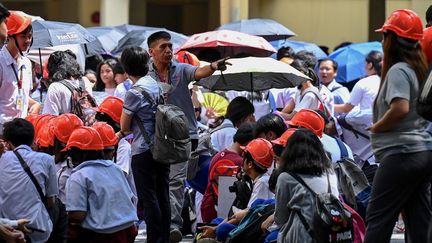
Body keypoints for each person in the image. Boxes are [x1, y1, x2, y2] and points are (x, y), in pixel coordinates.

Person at [146, 30, 231, 241]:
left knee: (175, 181)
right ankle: (161, 223)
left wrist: (212, 66)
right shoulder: (146, 76)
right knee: (158, 183)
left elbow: (199, 72)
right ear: (151, 52)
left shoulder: (181, 70)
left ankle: (173, 225)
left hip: (183, 137)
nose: (167, 50)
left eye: (169, 46)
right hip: (156, 138)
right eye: (162, 47)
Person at [365, 9, 432, 243]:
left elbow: (400, 108)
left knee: (378, 219)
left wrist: (377, 127)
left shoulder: (398, 70)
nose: (383, 41)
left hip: (401, 154)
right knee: (419, 222)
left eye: (385, 36)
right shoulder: (418, 69)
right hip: (422, 153)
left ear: (392, 39)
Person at [115, 46, 169, 243]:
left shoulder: (134, 92)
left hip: (143, 149)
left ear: (126, 68)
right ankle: (163, 236)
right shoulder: (155, 84)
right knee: (163, 194)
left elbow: (125, 126)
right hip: (163, 146)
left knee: (148, 196)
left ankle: (155, 239)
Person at [63, 127, 137, 243]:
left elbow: (77, 215)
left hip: (102, 235)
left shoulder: (78, 176)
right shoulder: (115, 168)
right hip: (128, 229)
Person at [200, 138, 275, 241]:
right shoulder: (254, 180)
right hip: (248, 220)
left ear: (249, 164)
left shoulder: (262, 182)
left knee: (222, 229)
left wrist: (215, 229)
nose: (241, 159)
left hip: (254, 228)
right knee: (217, 221)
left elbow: (248, 215)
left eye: (244, 157)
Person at [274, 128, 339, 243]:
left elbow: (281, 220)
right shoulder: (331, 174)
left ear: (289, 152)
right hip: (332, 234)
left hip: (303, 237)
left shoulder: (286, 178)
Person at [0, 118, 58, 243]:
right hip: (39, 231)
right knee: (58, 204)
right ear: (33, 139)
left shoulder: (2, 158)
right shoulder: (47, 159)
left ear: (7, 143)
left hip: (6, 228)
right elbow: (50, 201)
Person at [335, 51, 383, 167]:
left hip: (366, 130)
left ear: (370, 64)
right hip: (385, 126)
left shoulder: (363, 83)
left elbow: (347, 108)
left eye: (365, 63)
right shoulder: (386, 81)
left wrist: (329, 105)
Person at [201, 123, 255, 223]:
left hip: (208, 209)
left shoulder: (216, 157)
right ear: (249, 142)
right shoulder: (242, 163)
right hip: (228, 215)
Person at [0, 11, 41, 134]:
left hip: (22, 130)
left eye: (29, 36)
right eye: (23, 36)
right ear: (10, 36)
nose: (28, 40)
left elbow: (20, 95)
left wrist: (36, 104)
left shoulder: (27, 63)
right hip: (3, 131)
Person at [42, 50, 93, 115]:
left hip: (67, 124)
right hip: (88, 123)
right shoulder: (85, 80)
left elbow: (50, 116)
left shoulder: (55, 87)